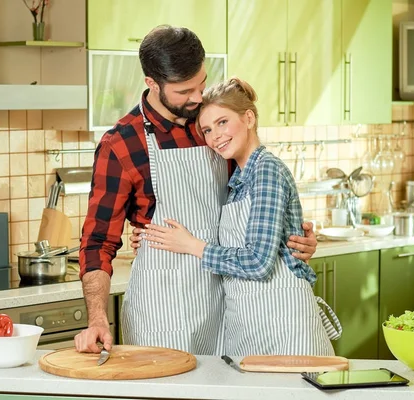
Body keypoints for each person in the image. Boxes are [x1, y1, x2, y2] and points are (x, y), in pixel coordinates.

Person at [75, 25, 318, 355]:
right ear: (151, 83)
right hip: (164, 310)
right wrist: (98, 319)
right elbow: (98, 241)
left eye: (201, 84)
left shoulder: (213, 121)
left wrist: (294, 236)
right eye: (184, 90)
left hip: (232, 305)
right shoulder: (122, 144)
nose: (196, 97)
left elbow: (254, 196)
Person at [140, 77, 341, 356]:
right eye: (207, 129)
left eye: (223, 122)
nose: (215, 136)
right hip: (250, 322)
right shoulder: (237, 177)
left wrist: (191, 245)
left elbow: (258, 262)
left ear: (248, 118)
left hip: (283, 322)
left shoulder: (266, 171)